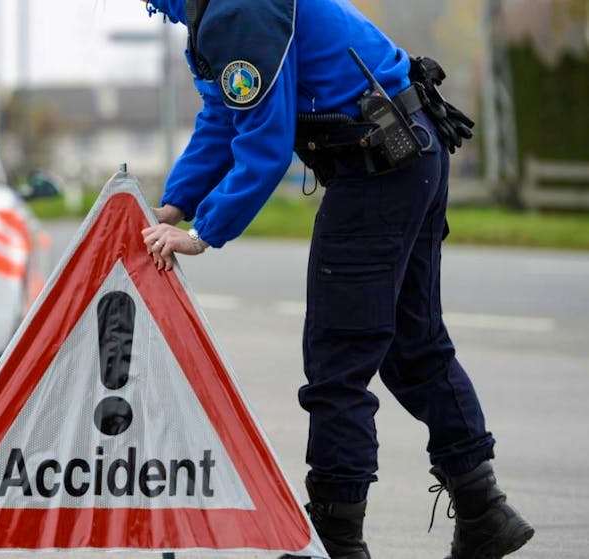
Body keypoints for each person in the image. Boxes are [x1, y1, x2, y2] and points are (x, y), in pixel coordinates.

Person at [135, 1, 534, 557]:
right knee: (414, 345)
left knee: (336, 363)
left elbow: (266, 147)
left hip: (378, 163)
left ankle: (335, 541)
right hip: (410, 147)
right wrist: (173, 206)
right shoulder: (216, 12)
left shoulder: (235, 11)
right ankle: (483, 510)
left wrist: (204, 232)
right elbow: (225, 117)